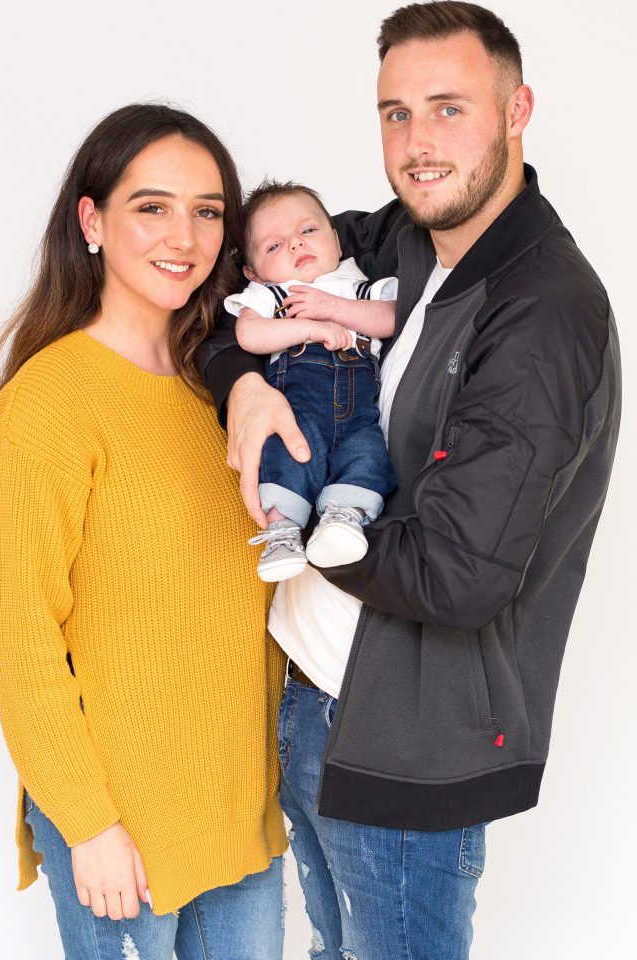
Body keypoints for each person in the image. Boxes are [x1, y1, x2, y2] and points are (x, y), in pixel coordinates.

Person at [196, 3, 621, 959]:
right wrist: (243, 386)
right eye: (396, 113)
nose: (417, 144)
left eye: (447, 109)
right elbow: (250, 277)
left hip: (399, 736)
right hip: (310, 697)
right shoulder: (407, 240)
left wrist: (299, 523)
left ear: (518, 111)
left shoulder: (543, 313)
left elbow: (457, 574)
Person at [0, 103, 287, 960]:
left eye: (208, 210)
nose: (183, 234)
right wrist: (87, 823)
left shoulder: (218, 391)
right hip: (121, 824)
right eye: (151, 206)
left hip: (238, 816)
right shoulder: (52, 401)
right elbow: (17, 633)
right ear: (92, 221)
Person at [224, 180, 398, 581]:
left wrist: (332, 308)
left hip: (360, 414)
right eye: (274, 246)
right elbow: (250, 335)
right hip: (298, 408)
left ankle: (343, 518)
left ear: (336, 241)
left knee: (368, 454)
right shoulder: (272, 294)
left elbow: (390, 319)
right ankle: (281, 530)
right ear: (253, 271)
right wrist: (309, 329)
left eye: (307, 231)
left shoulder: (363, 287)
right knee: (288, 454)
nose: (295, 246)